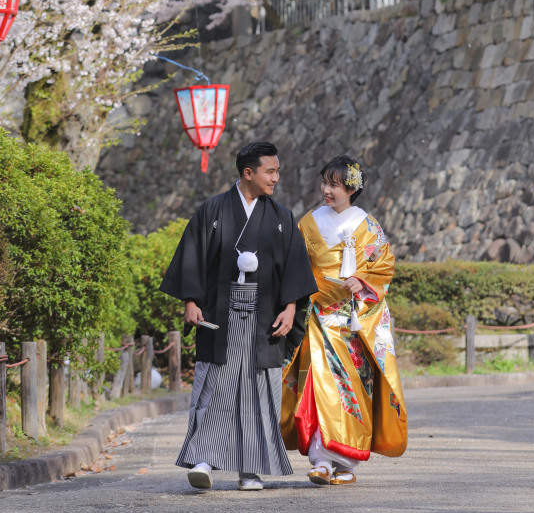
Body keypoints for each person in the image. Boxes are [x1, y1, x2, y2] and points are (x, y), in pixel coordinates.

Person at [160, 140, 317, 492]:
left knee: (259, 392)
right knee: (214, 386)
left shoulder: (281, 217)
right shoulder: (212, 210)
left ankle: (251, 469)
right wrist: (190, 301)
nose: (276, 178)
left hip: (266, 319)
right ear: (248, 173)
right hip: (220, 314)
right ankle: (203, 460)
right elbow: (192, 257)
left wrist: (291, 307)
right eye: (270, 171)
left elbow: (295, 268)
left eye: (277, 171)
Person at [281, 155, 408, 485]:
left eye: (334, 185)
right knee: (318, 386)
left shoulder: (367, 226)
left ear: (351, 189)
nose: (326, 190)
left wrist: (362, 280)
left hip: (354, 322)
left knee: (353, 389)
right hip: (318, 317)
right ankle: (322, 459)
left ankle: (347, 463)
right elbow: (293, 265)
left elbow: (384, 265)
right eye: (324, 183)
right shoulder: (309, 223)